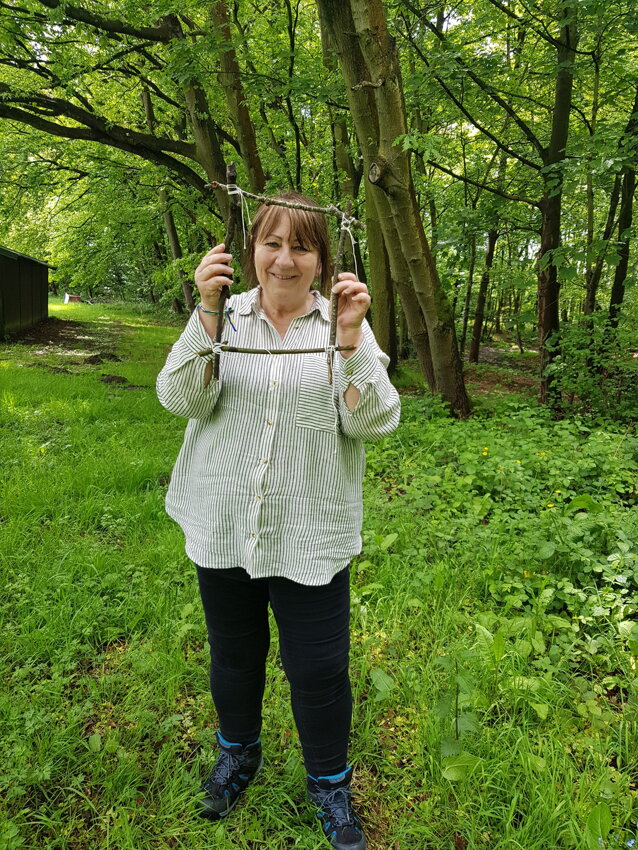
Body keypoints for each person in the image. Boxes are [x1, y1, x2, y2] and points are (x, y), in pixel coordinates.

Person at [156, 192, 400, 850]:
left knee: (318, 669)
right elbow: (178, 397)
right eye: (272, 243)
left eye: (301, 246)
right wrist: (205, 315)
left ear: (321, 259)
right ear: (251, 249)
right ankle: (238, 754)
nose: (284, 260)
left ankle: (329, 783)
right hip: (225, 519)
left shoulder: (343, 321)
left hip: (309, 529)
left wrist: (349, 344)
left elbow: (373, 420)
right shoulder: (223, 314)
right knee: (235, 656)